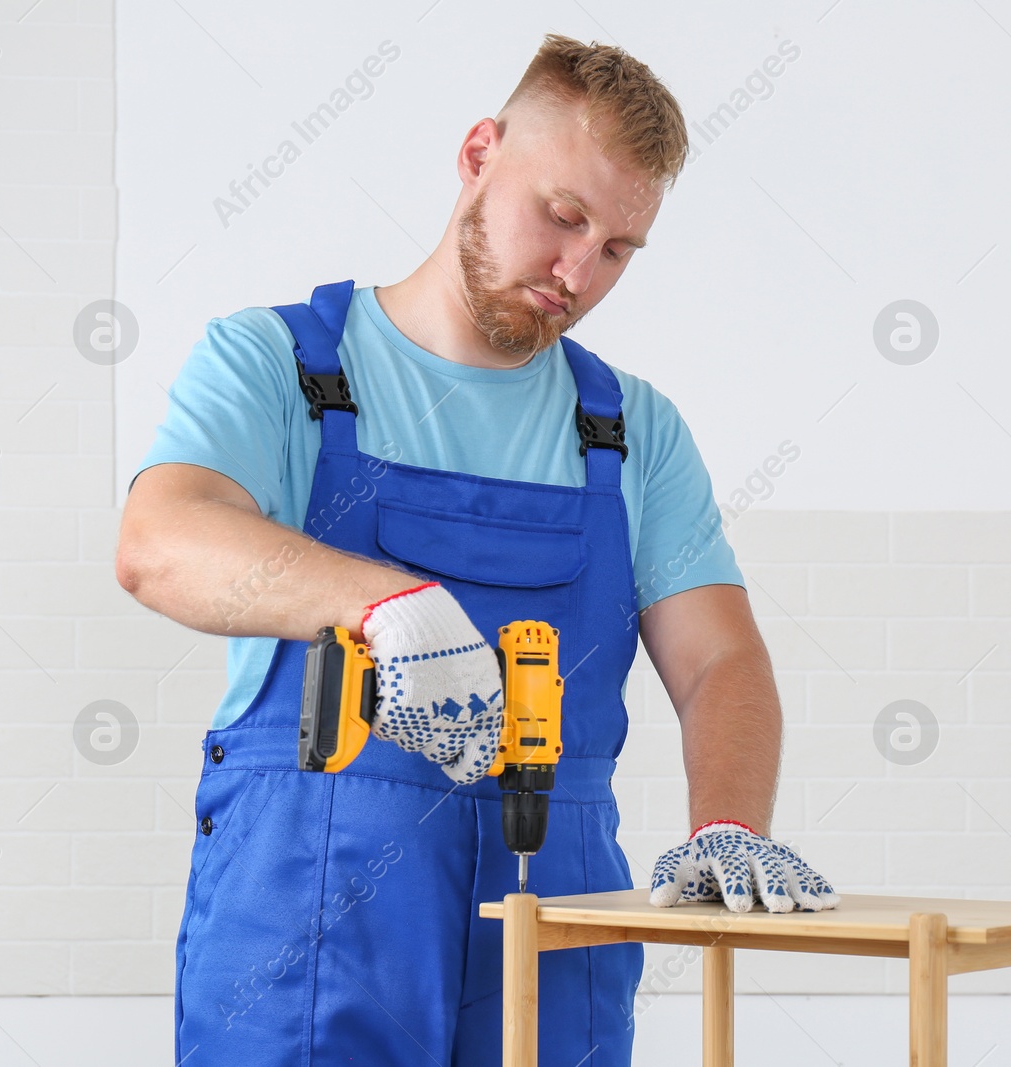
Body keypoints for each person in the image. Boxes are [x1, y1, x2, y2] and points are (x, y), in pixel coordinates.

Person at [115, 32, 838, 1067]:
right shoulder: (278, 365)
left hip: (558, 917)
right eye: (564, 217)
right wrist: (388, 604)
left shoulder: (630, 429)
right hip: (310, 911)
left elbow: (721, 658)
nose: (578, 271)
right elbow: (159, 540)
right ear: (478, 153)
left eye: (618, 249)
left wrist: (729, 823)